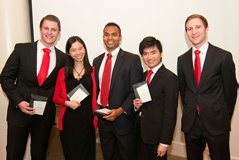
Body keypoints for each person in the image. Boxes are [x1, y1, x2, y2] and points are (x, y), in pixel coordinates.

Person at [0, 15, 66, 160]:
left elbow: (66, 83)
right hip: (19, 113)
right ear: (40, 29)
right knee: (14, 154)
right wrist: (18, 101)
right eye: (46, 28)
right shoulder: (22, 49)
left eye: (53, 29)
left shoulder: (63, 58)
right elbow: (5, 77)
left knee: (39, 155)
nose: (49, 32)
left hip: (44, 117)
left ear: (59, 33)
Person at [177, 14, 237, 160]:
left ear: (206, 29)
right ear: (186, 33)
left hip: (217, 122)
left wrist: (223, 117)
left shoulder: (223, 57)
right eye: (189, 29)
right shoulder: (182, 59)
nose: (194, 32)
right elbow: (184, 92)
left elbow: (231, 92)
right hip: (192, 124)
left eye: (198, 27)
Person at [93, 22, 143, 160]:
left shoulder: (132, 59)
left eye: (114, 34)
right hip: (103, 118)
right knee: (108, 155)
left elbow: (136, 91)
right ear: (103, 37)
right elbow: (96, 89)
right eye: (107, 34)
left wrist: (120, 110)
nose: (110, 37)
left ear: (120, 37)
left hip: (123, 121)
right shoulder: (96, 61)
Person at [133, 36, 178, 160]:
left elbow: (170, 114)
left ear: (161, 54)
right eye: (145, 54)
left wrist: (164, 142)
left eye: (153, 52)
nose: (149, 57)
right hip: (140, 134)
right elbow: (145, 104)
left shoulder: (170, 78)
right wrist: (136, 106)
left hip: (157, 137)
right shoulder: (143, 76)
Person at [53, 36, 97, 160]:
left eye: (80, 48)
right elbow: (55, 98)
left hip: (88, 121)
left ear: (85, 49)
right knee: (71, 154)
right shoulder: (63, 72)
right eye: (73, 50)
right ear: (68, 53)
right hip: (69, 121)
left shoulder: (93, 71)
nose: (78, 52)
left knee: (88, 154)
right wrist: (67, 102)